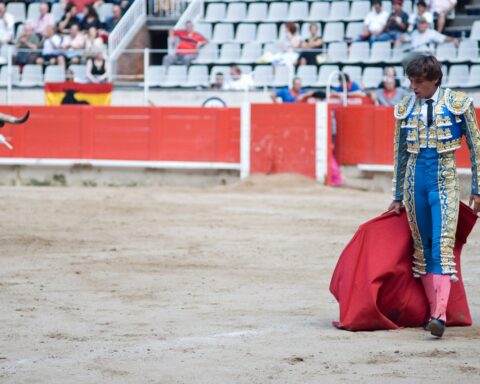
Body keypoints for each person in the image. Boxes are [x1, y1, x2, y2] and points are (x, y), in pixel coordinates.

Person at [388, 55, 480, 338]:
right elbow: (401, 155)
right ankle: (433, 313)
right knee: (422, 248)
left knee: (442, 245)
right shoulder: (404, 107)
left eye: (419, 82)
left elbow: (477, 149)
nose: (413, 87)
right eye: (411, 81)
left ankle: (439, 314)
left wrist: (478, 188)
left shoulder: (458, 103)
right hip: (415, 183)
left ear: (434, 80)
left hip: (445, 180)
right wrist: (397, 195)